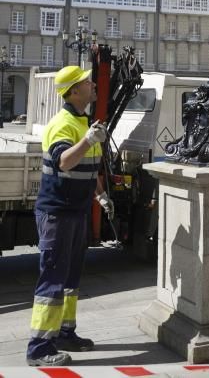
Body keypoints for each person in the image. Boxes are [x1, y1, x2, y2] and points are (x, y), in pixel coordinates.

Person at [26, 66, 113, 367]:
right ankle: (39, 347)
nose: (93, 85)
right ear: (74, 91)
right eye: (88, 82)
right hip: (57, 213)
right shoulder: (62, 124)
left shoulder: (83, 122)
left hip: (75, 212)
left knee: (70, 279)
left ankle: (64, 333)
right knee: (52, 278)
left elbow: (88, 166)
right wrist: (88, 140)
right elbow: (64, 161)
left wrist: (100, 194)